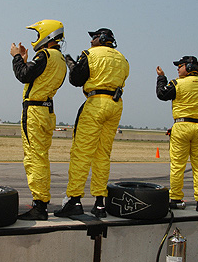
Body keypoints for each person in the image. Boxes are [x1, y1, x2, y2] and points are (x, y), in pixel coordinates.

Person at [54, 28, 129, 218]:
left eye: (93, 38)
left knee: (81, 153)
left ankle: (74, 200)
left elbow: (76, 80)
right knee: (103, 154)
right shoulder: (122, 58)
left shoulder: (90, 54)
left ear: (101, 39)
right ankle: (99, 203)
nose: (90, 41)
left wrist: (72, 64)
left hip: (96, 102)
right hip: (116, 104)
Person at [11, 19, 67, 221]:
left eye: (37, 35)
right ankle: (41, 202)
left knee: (34, 158)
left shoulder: (44, 55)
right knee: (41, 157)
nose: (36, 39)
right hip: (47, 111)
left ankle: (40, 205)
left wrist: (17, 57)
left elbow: (24, 75)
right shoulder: (59, 58)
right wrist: (26, 60)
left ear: (47, 35)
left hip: (34, 111)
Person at [156, 56, 198, 212]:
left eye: (180, 66)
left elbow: (162, 94)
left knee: (177, 165)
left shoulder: (177, 83)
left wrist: (161, 78)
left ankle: (175, 198)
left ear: (188, 68)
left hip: (182, 126)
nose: (178, 69)